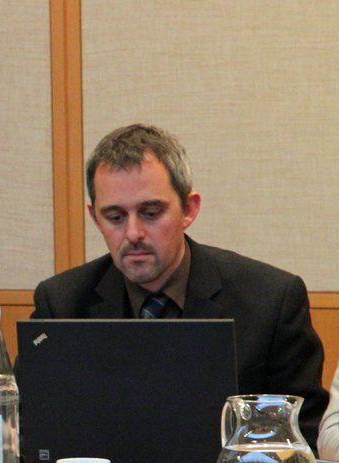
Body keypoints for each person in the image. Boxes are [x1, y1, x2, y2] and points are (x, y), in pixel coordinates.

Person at [32, 124, 327, 446]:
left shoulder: (270, 300)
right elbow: (35, 427)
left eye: (150, 213)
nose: (133, 233)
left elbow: (300, 435)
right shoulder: (61, 304)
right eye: (115, 217)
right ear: (95, 218)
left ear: (189, 209)